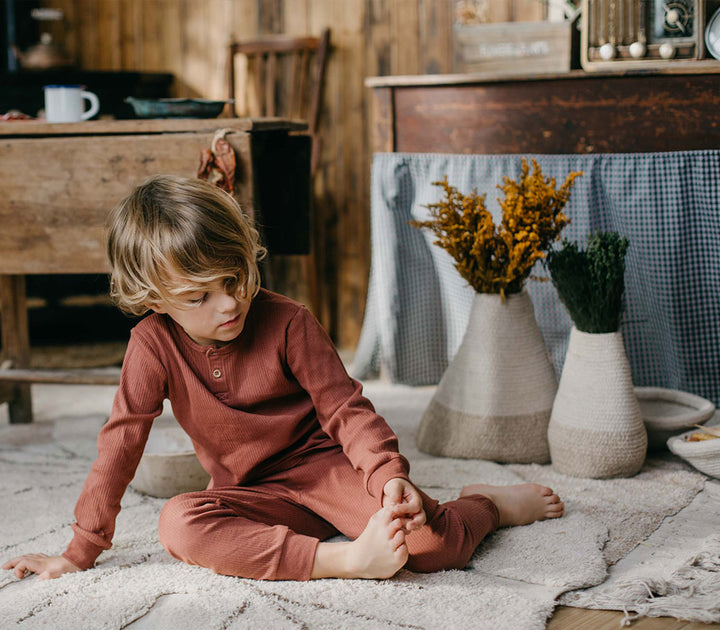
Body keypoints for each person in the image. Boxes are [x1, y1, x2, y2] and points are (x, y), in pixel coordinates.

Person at [3, 175, 564, 583]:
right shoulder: (151, 345)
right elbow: (120, 445)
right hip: (250, 494)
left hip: (329, 471)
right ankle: (338, 561)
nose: (230, 302)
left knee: (430, 545)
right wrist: (80, 550)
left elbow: (348, 409)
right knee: (178, 523)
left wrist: (388, 473)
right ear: (154, 299)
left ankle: (485, 504)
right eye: (200, 296)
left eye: (235, 277)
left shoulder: (288, 319)